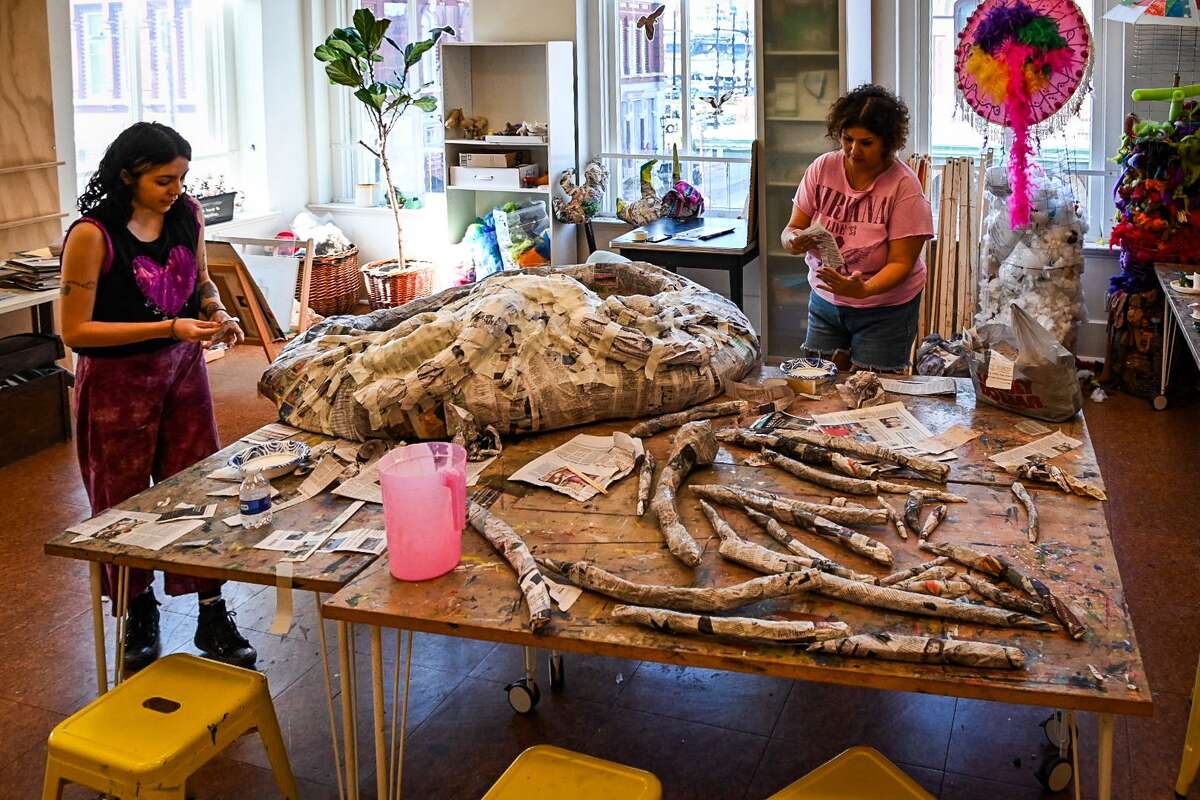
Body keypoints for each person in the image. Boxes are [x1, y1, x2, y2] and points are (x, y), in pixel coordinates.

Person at [60, 122, 255, 671]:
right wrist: (169, 328)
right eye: (163, 180)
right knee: (121, 501)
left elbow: (199, 286)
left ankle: (213, 614)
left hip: (181, 373)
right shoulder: (92, 236)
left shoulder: (187, 215)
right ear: (128, 176)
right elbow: (75, 332)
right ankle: (137, 613)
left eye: (181, 178)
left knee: (200, 489)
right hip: (116, 387)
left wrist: (216, 310)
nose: (176, 190)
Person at [780, 84, 934, 372]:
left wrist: (865, 289)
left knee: (874, 391)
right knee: (819, 385)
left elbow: (902, 262)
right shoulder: (822, 168)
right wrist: (793, 240)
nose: (853, 150)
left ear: (888, 143)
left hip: (885, 309)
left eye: (866, 143)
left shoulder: (904, 186)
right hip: (826, 301)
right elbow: (792, 228)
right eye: (847, 138)